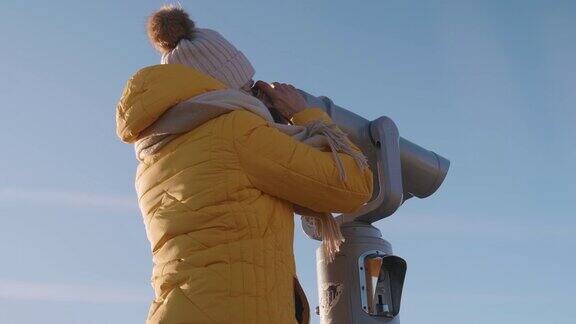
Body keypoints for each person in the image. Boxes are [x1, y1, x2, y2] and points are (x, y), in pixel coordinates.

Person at [115, 5, 373, 324]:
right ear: (224, 86)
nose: (257, 94)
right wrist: (306, 116)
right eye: (250, 86)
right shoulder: (238, 132)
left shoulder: (155, 156)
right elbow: (353, 186)